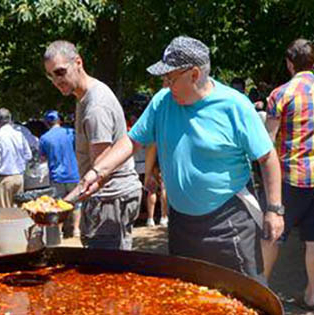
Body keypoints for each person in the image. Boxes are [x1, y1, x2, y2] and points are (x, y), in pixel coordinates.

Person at [71, 36, 284, 278]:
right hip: (181, 223)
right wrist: (98, 171)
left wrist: (275, 210)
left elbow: (267, 158)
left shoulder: (234, 106)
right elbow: (133, 141)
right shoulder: (162, 102)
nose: (165, 84)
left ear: (194, 75)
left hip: (229, 220)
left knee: (244, 298)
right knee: (187, 295)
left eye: (170, 78)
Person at [43, 40, 143, 250]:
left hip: (111, 198)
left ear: (78, 62)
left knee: (106, 271)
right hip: (103, 196)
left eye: (60, 72)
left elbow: (100, 172)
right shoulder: (83, 97)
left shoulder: (95, 106)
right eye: (50, 76)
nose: (56, 81)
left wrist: (61, 206)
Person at [262, 39, 314, 309]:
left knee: (273, 233)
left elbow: (268, 141)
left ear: (289, 63)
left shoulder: (280, 94)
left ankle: (263, 287)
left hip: (289, 179)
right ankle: (312, 293)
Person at [40, 110, 80, 237]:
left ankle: (59, 232)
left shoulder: (44, 138)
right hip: (73, 173)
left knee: (58, 204)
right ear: (59, 120)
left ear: (47, 122)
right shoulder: (70, 133)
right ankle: (76, 229)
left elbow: (43, 158)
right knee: (77, 203)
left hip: (56, 176)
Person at [0, 108, 32, 208]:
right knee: (19, 212)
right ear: (10, 120)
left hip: (4, 180)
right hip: (19, 178)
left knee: (5, 214)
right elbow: (28, 155)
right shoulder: (19, 135)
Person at [143, 145, 168, 227]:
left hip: (152, 155)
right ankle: (163, 217)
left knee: (152, 189)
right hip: (164, 155)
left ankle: (150, 218)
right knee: (163, 188)